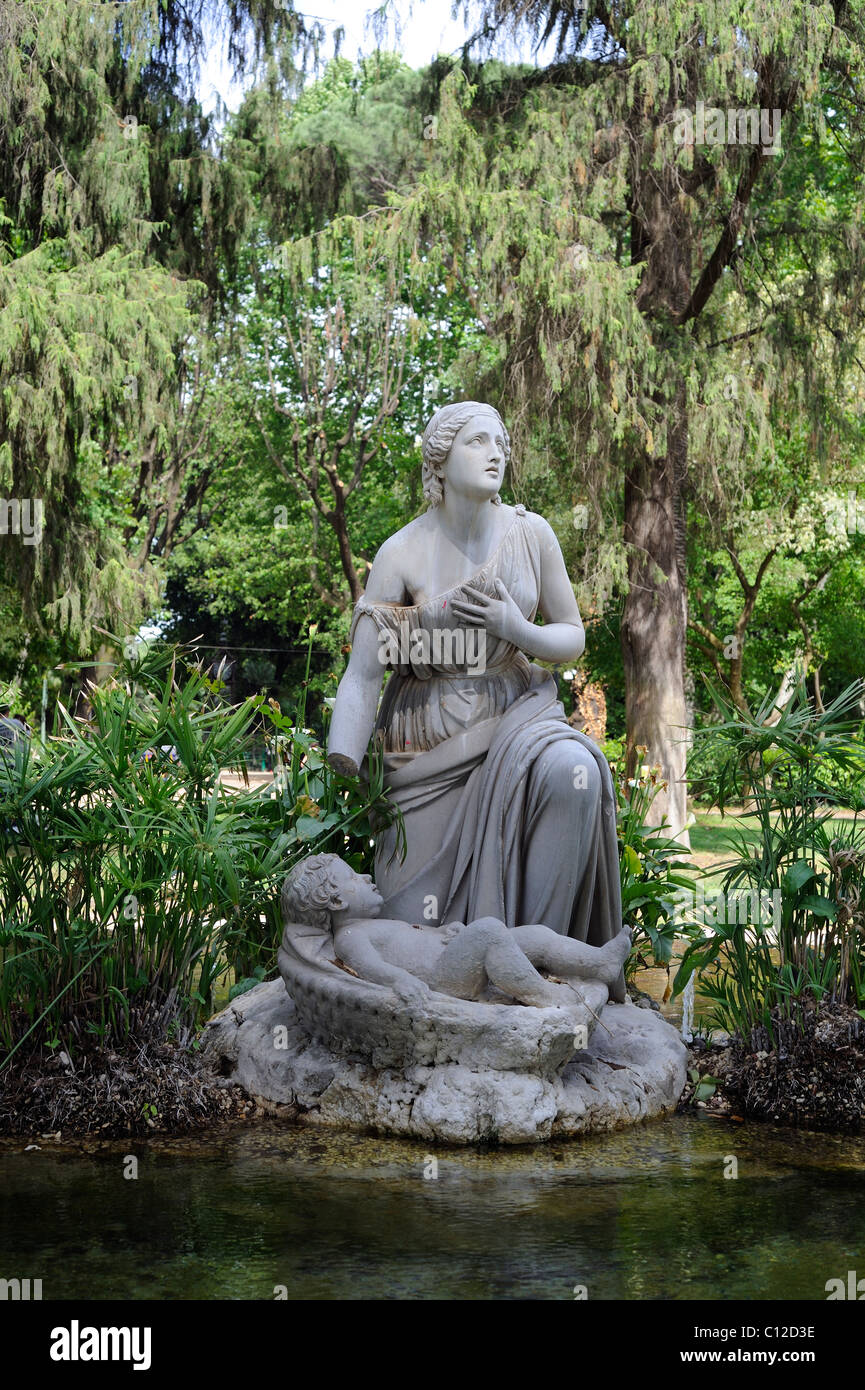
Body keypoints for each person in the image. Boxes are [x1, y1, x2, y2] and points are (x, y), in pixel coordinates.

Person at [326, 402, 625, 996]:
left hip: (518, 719)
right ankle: (473, 987)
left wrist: (520, 630)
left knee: (573, 771)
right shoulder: (402, 552)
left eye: (501, 443)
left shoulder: (530, 533)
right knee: (417, 931)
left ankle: (537, 971)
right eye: (478, 441)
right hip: (426, 743)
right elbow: (364, 673)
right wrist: (344, 758)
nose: (496, 453)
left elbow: (571, 633)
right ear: (440, 457)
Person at [282, 853, 631, 1009]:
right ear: (337, 903)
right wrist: (399, 982)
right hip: (442, 980)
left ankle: (599, 963)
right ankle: (544, 996)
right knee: (492, 932)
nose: (367, 877)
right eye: (353, 879)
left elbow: (414, 939)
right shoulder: (350, 938)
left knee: (535, 935)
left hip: (450, 961)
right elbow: (371, 968)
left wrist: (444, 932)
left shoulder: (371, 924)